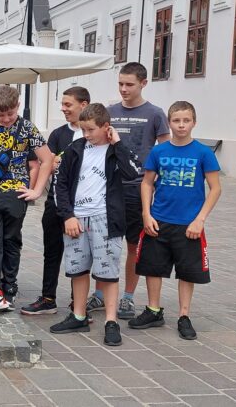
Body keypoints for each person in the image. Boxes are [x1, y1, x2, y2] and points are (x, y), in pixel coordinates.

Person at [49, 104, 141, 346]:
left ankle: (111, 321)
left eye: (91, 129)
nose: (86, 134)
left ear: (106, 127)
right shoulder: (75, 149)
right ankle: (79, 315)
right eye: (83, 129)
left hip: (106, 219)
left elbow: (133, 172)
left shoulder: (115, 150)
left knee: (107, 271)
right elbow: (60, 183)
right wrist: (67, 216)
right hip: (77, 219)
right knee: (78, 269)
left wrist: (117, 143)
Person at [130, 101, 221, 341]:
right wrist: (147, 213)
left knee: (187, 271)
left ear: (194, 123)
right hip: (159, 219)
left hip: (189, 223)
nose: (181, 125)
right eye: (176, 121)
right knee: (152, 267)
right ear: (169, 123)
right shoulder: (159, 152)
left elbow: (215, 188)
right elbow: (147, 183)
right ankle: (153, 310)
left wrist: (200, 219)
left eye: (186, 120)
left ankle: (184, 315)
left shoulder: (203, 153)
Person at [87, 62, 170, 320]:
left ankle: (128, 297)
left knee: (134, 246)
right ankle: (100, 294)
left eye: (129, 84)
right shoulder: (109, 112)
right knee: (104, 243)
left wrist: (157, 186)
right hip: (109, 187)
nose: (124, 89)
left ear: (143, 83)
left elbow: (164, 151)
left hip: (137, 188)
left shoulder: (155, 114)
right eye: (120, 83)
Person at [0, 86, 53, 315]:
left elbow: (47, 159)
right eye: (1, 114)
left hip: (16, 191)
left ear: (18, 106)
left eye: (11, 114)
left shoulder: (27, 127)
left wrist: (36, 190)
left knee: (11, 240)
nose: (6, 119)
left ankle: (9, 286)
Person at [21, 86, 90, 315]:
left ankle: (77, 302)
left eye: (68, 104)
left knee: (79, 254)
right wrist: (47, 173)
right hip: (55, 201)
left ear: (84, 105)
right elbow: (47, 163)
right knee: (52, 251)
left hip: (81, 204)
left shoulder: (92, 135)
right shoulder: (58, 134)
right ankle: (48, 297)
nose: (63, 109)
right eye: (62, 104)